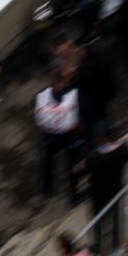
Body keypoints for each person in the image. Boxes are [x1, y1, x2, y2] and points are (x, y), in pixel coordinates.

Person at [76, 128, 128, 254]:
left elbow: (82, 170)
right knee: (116, 215)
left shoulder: (93, 157)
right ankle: (116, 243)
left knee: (97, 219)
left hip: (98, 192)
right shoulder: (124, 150)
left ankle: (99, 246)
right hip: (116, 187)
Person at [53, 34, 116, 142]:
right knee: (97, 121)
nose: (63, 55)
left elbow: (95, 73)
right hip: (87, 100)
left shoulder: (84, 55)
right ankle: (105, 137)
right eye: (60, 53)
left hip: (96, 95)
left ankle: (109, 137)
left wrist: (75, 75)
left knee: (103, 119)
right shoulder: (66, 64)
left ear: (70, 46)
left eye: (63, 51)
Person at [35, 66, 82, 202]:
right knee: (73, 165)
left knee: (47, 162)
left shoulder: (42, 95)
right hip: (69, 138)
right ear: (63, 81)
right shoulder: (72, 95)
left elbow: (39, 116)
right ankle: (74, 195)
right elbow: (77, 116)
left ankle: (45, 189)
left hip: (49, 137)